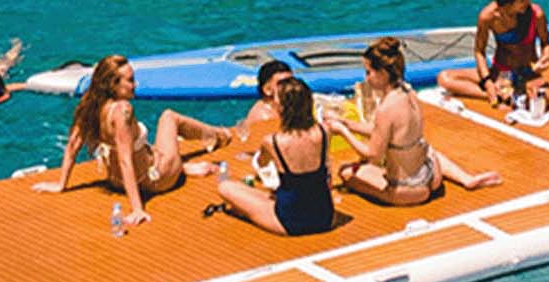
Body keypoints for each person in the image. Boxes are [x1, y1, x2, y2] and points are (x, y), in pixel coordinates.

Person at [30, 55, 233, 227]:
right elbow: (126, 160)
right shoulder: (122, 111)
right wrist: (137, 208)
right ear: (112, 84)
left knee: (152, 147)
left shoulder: (89, 106)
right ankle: (218, 135)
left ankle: (185, 164)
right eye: (130, 80)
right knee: (169, 117)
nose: (135, 85)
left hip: (115, 181)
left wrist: (61, 184)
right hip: (156, 180)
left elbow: (72, 146)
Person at [328, 37, 500, 208]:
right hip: (432, 174)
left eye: (369, 72)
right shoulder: (409, 92)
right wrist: (346, 123)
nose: (366, 78)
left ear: (383, 73)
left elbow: (373, 156)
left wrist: (344, 132)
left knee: (347, 172)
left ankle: (461, 180)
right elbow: (381, 131)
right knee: (424, 147)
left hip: (408, 190)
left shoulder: (386, 109)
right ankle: (466, 178)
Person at [210, 78, 336, 236]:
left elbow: (261, 165)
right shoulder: (325, 132)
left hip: (290, 222)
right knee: (280, 193)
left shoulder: (273, 141)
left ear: (282, 107)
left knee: (226, 187)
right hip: (325, 217)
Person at [437, 0, 549, 106]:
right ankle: (496, 95)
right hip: (500, 73)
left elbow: (546, 43)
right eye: (522, 1)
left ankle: (508, 95)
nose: (527, 2)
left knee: (545, 97)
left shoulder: (536, 13)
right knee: (444, 78)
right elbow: (479, 51)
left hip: (528, 72)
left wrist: (545, 58)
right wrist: (488, 82)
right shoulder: (488, 17)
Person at [239, 60, 294, 130]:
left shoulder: (287, 106)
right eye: (282, 83)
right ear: (267, 90)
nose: (290, 86)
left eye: (291, 81)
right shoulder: (264, 118)